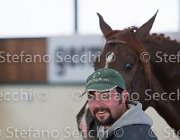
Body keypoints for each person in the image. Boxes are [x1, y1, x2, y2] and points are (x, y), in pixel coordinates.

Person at [77, 68, 158, 140]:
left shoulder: (137, 136)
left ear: (124, 97)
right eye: (91, 97)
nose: (98, 104)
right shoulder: (113, 132)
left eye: (105, 96)